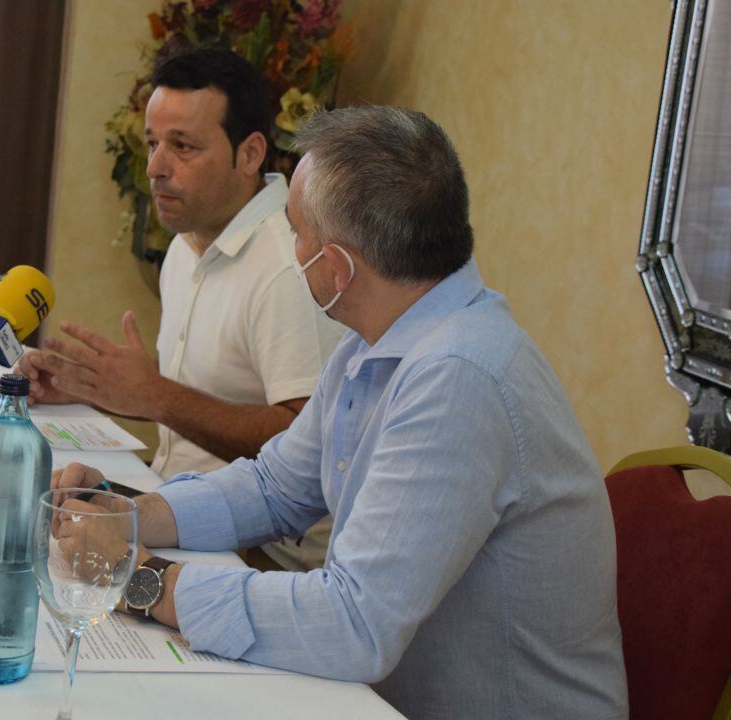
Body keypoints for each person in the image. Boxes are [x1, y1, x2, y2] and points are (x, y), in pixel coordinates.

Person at [52, 106, 628, 718]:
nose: (287, 247)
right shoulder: (377, 336)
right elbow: (275, 487)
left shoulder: (458, 378)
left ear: (337, 266)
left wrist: (142, 581)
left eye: (294, 230)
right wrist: (127, 517)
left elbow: (354, 625)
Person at [19, 48, 343, 571]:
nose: (155, 168)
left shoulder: (287, 266)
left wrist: (156, 397)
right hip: (178, 507)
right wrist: (92, 389)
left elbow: (307, 444)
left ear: (250, 153)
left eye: (182, 146)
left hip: (267, 557)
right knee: (39, 513)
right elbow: (195, 405)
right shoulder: (185, 245)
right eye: (151, 143)